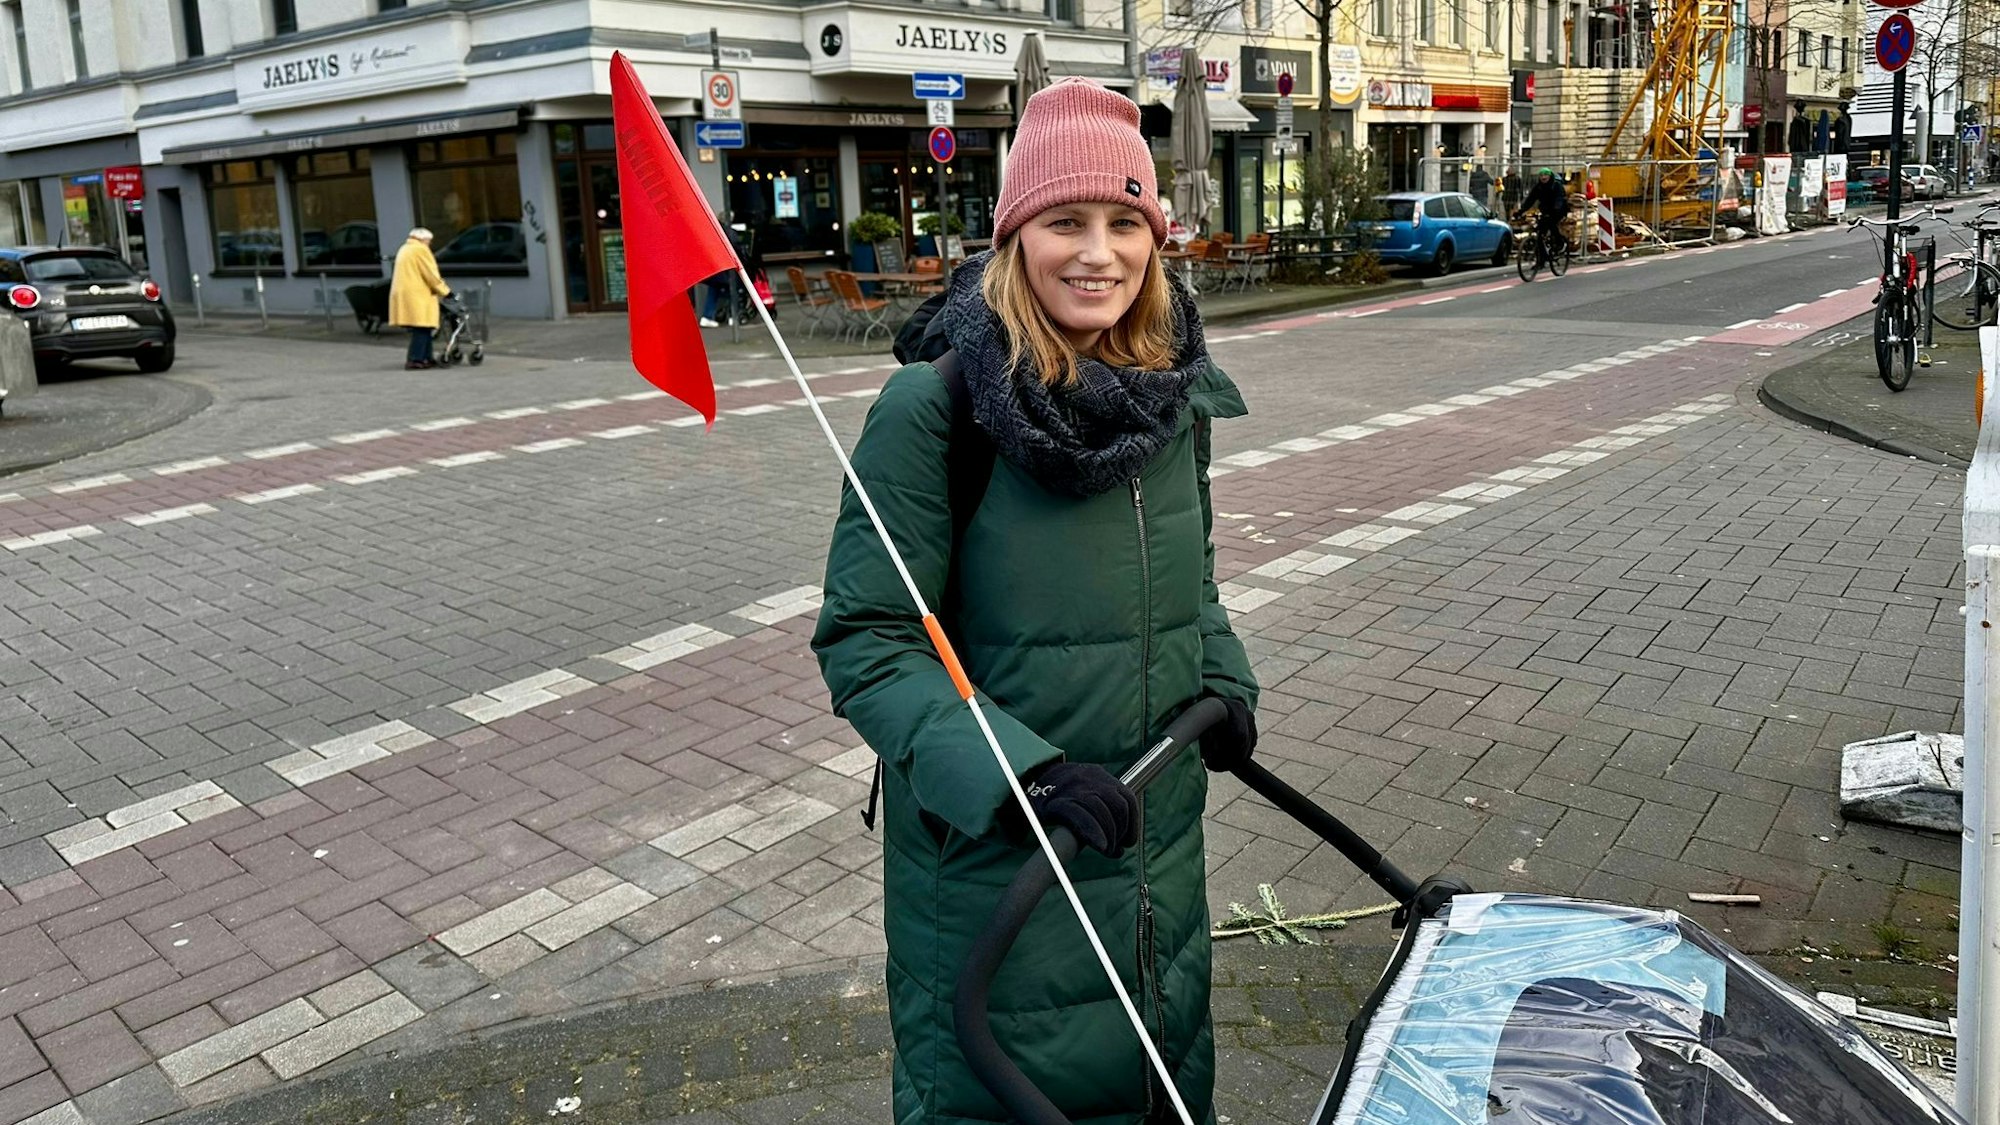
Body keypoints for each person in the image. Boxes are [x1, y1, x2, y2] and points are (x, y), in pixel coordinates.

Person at [813, 76, 1259, 1125]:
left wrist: (1222, 680)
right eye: (1065, 221)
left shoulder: (1170, 399)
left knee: (1155, 1077)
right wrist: (1022, 776)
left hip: (1154, 843)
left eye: (1123, 221)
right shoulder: (935, 409)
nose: (1097, 252)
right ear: (1016, 233)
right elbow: (867, 640)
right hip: (1002, 872)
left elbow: (1190, 584)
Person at [389, 227, 451, 370]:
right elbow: (430, 274)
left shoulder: (405, 248)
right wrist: (446, 291)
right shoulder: (420, 250)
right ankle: (415, 359)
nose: (429, 244)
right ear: (423, 239)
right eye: (429, 241)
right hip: (418, 295)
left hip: (406, 294)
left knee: (424, 327)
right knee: (422, 327)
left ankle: (426, 357)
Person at [1513, 168, 1569, 262]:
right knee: (1540, 234)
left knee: (1551, 223)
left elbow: (1559, 198)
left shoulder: (1556, 186)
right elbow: (1530, 200)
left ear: (1550, 176)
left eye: (1545, 175)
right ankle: (1541, 260)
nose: (1543, 177)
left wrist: (1556, 208)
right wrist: (1521, 211)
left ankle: (1560, 243)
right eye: (1541, 175)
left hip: (1558, 210)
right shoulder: (1538, 187)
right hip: (1545, 211)